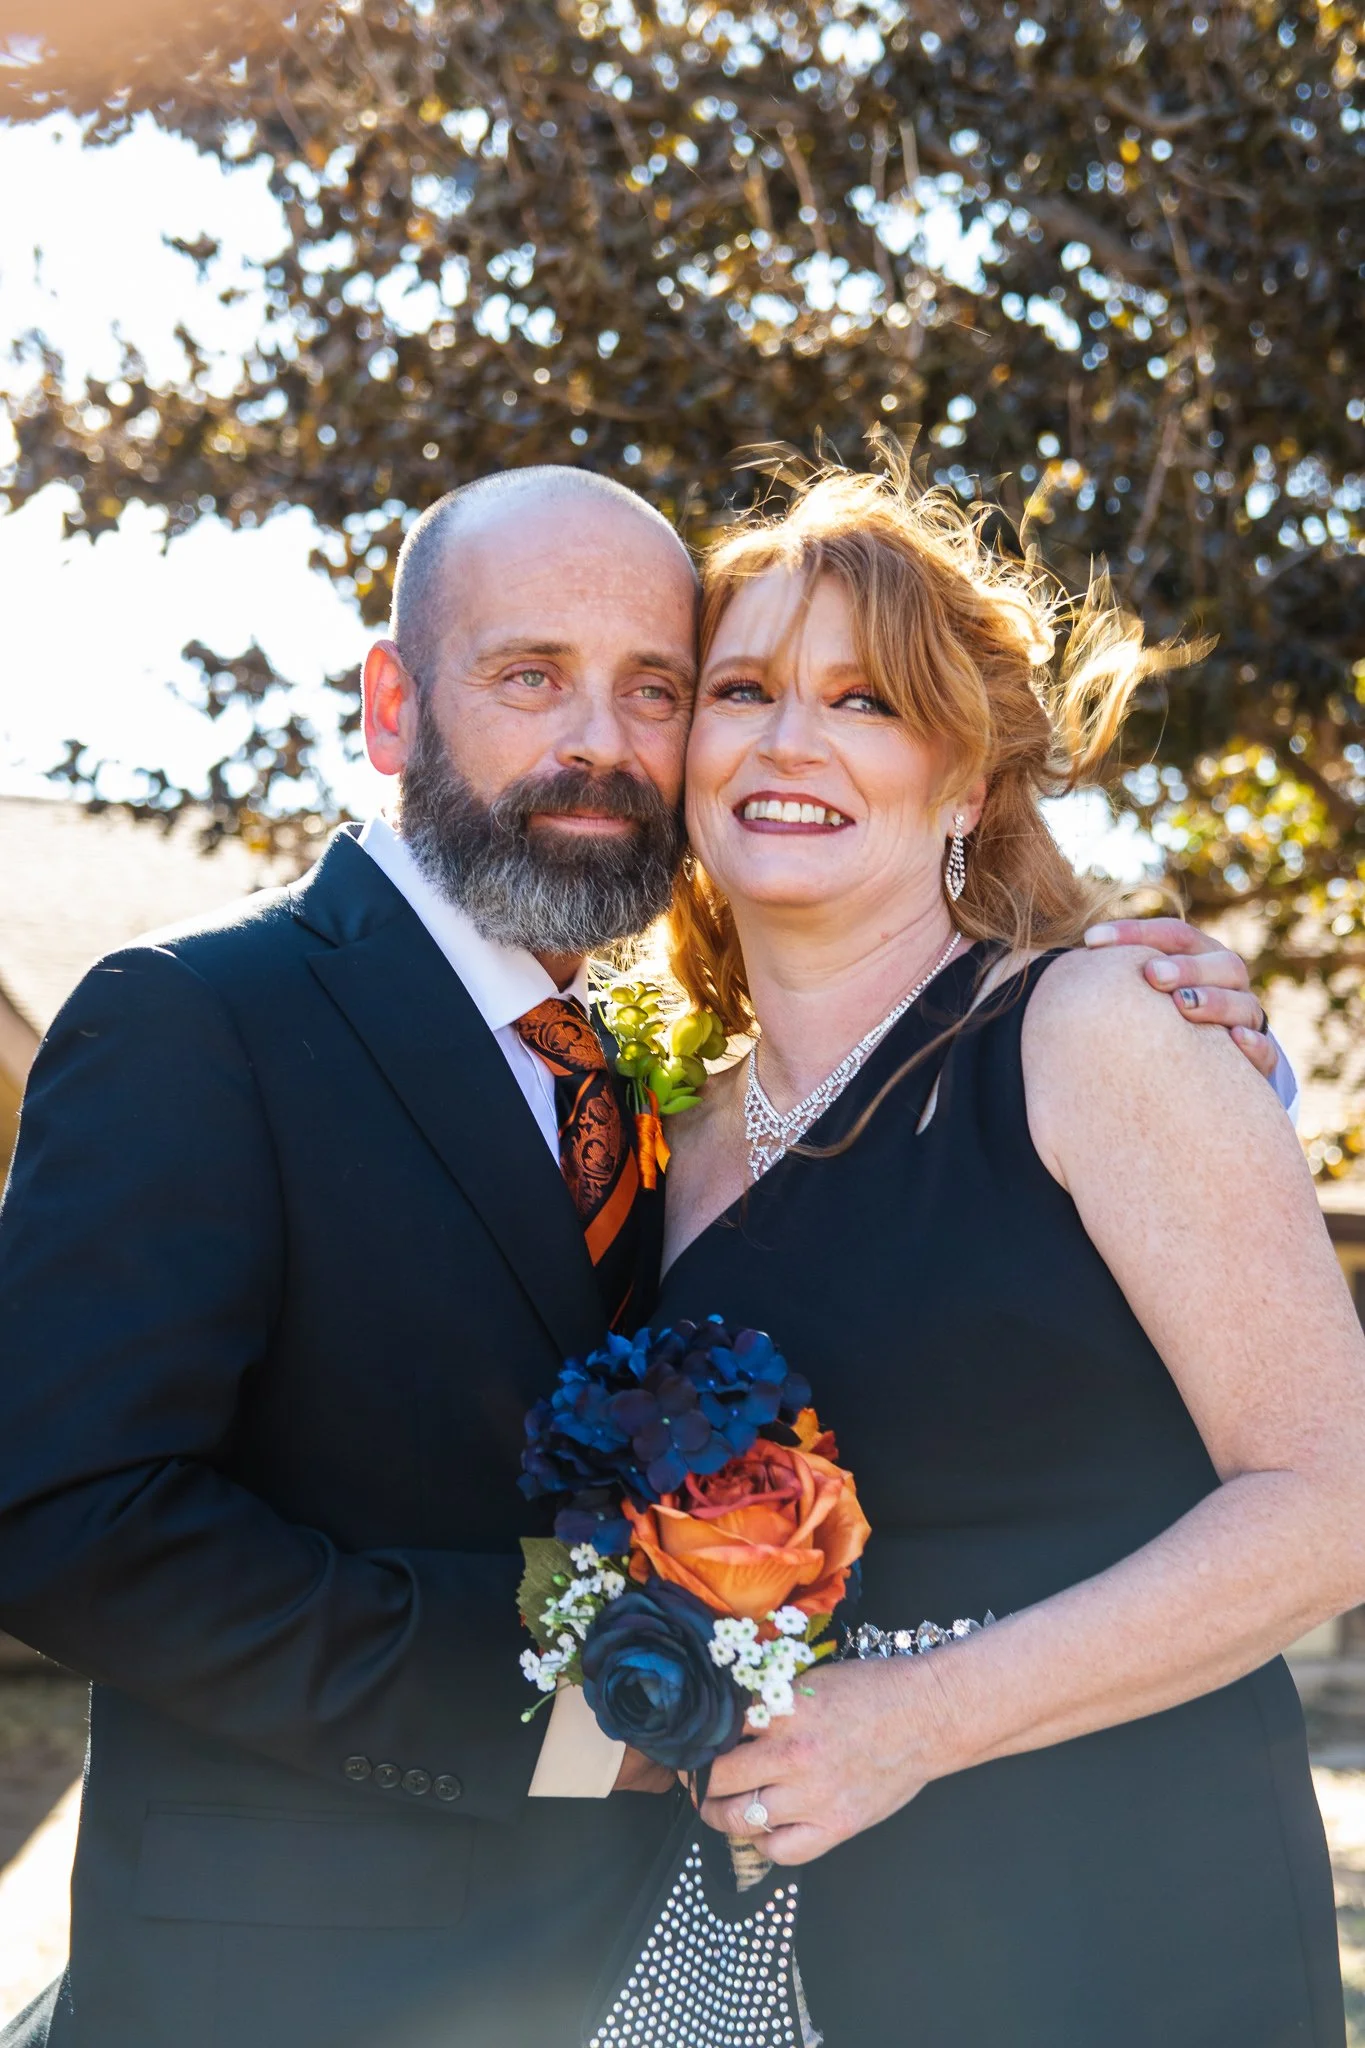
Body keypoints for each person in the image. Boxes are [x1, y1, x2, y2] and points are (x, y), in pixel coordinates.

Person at [0, 464, 1293, 2048]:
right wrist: (578, 1714)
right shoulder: (207, 1020)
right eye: (531, 676)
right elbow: (62, 1514)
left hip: (1009, 1910)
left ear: (968, 778)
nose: (601, 741)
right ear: (395, 709)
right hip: (295, 1974)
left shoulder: (649, 1090)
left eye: (657, 688)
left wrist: (1170, 1035)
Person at [646, 459, 1365, 2047]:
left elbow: (1337, 1503)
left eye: (865, 701)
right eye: (743, 690)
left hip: (1122, 1909)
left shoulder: (1098, 1027)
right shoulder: (663, 1139)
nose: (788, 741)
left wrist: (919, 1719)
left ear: (965, 782)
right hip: (779, 1934)